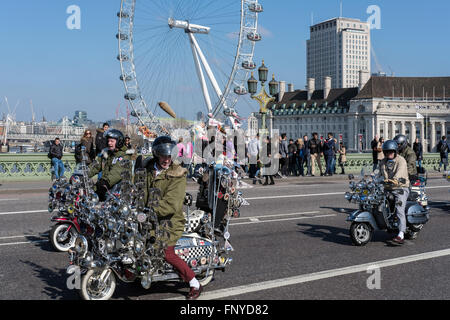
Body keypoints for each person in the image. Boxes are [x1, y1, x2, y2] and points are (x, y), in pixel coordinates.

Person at [142, 136, 203, 300]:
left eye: (169, 156)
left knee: (166, 252)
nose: (166, 160)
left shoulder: (177, 174)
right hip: (149, 217)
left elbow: (172, 205)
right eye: (163, 155)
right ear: (156, 154)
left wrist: (149, 211)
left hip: (169, 221)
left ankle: (194, 282)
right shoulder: (148, 169)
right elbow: (141, 190)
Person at [378, 140, 410, 245]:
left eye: (391, 151)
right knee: (376, 201)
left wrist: (395, 179)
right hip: (387, 188)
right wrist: (368, 179)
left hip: (400, 187)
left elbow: (400, 172)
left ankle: (401, 234)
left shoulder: (401, 161)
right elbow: (377, 173)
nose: (389, 154)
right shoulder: (383, 161)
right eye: (387, 152)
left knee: (399, 208)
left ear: (395, 151)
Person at [88, 129, 133, 201]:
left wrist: (105, 182)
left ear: (119, 142)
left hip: (118, 193)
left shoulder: (124, 156)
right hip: (106, 189)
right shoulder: (106, 154)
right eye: (108, 141)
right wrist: (82, 173)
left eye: (112, 141)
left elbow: (117, 172)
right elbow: (95, 166)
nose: (109, 143)